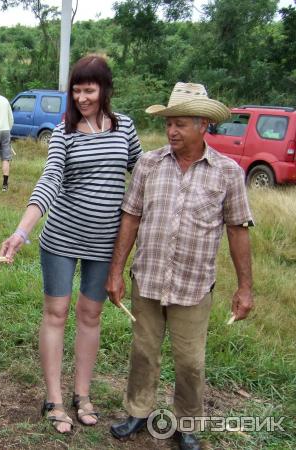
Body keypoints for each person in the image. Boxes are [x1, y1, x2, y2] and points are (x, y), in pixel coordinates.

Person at [105, 82, 254, 450]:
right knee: (143, 352)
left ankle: (186, 424)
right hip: (149, 279)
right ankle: (138, 412)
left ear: (203, 125)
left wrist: (245, 288)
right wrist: (116, 271)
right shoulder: (149, 164)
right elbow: (130, 218)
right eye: (169, 123)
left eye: (181, 123)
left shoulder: (227, 172)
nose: (172, 130)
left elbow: (237, 231)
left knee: (190, 362)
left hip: (193, 285)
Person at [0, 54, 143, 434]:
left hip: (104, 243)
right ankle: (54, 398)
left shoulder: (125, 128)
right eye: (76, 91)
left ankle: (82, 393)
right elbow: (49, 180)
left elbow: (143, 174)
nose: (81, 98)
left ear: (105, 90)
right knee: (57, 313)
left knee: (90, 315)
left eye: (89, 90)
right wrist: (22, 230)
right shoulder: (64, 132)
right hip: (61, 237)